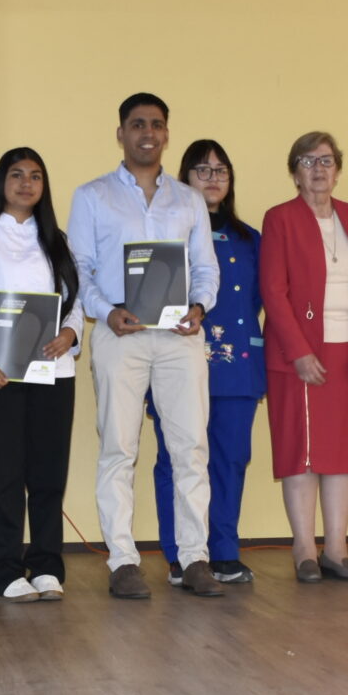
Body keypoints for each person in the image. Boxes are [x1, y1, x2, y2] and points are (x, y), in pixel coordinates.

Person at [66, 94, 225, 600]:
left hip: (180, 339)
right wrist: (106, 310)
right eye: (137, 124)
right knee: (119, 448)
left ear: (167, 134)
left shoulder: (188, 199)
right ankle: (123, 561)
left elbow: (206, 268)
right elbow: (79, 268)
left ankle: (194, 558)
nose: (148, 133)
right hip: (121, 334)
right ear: (121, 133)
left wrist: (199, 307)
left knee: (191, 449)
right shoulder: (93, 196)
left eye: (156, 124)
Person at [260, 132, 348, 581]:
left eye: (326, 160)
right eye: (307, 161)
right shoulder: (280, 219)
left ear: (338, 169)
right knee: (301, 452)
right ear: (294, 172)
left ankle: (336, 549)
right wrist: (299, 351)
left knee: (343, 451)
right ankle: (304, 549)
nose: (318, 169)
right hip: (299, 355)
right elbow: (273, 292)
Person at [0, 148, 85, 602]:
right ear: (1, 182)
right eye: (16, 174)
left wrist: (70, 333)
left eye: (35, 176)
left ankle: (47, 565)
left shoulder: (57, 239)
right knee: (3, 473)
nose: (26, 183)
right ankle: (5, 569)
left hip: (54, 371)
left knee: (48, 475)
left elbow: (75, 299)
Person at [148, 140, 264, 585]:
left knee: (230, 459)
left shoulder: (250, 239)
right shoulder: (166, 234)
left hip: (236, 365)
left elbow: (262, 297)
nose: (213, 178)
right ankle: (180, 555)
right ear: (184, 179)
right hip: (176, 360)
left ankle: (224, 552)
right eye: (202, 170)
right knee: (176, 460)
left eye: (221, 170)